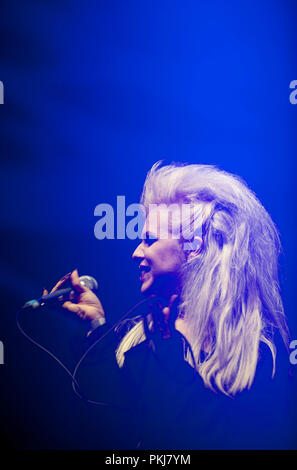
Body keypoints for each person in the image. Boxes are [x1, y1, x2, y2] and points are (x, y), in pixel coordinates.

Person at [46, 162, 292, 449]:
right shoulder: (141, 338)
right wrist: (95, 327)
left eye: (149, 239)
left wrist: (170, 363)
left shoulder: (256, 355)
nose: (136, 252)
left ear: (193, 246)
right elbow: (111, 428)